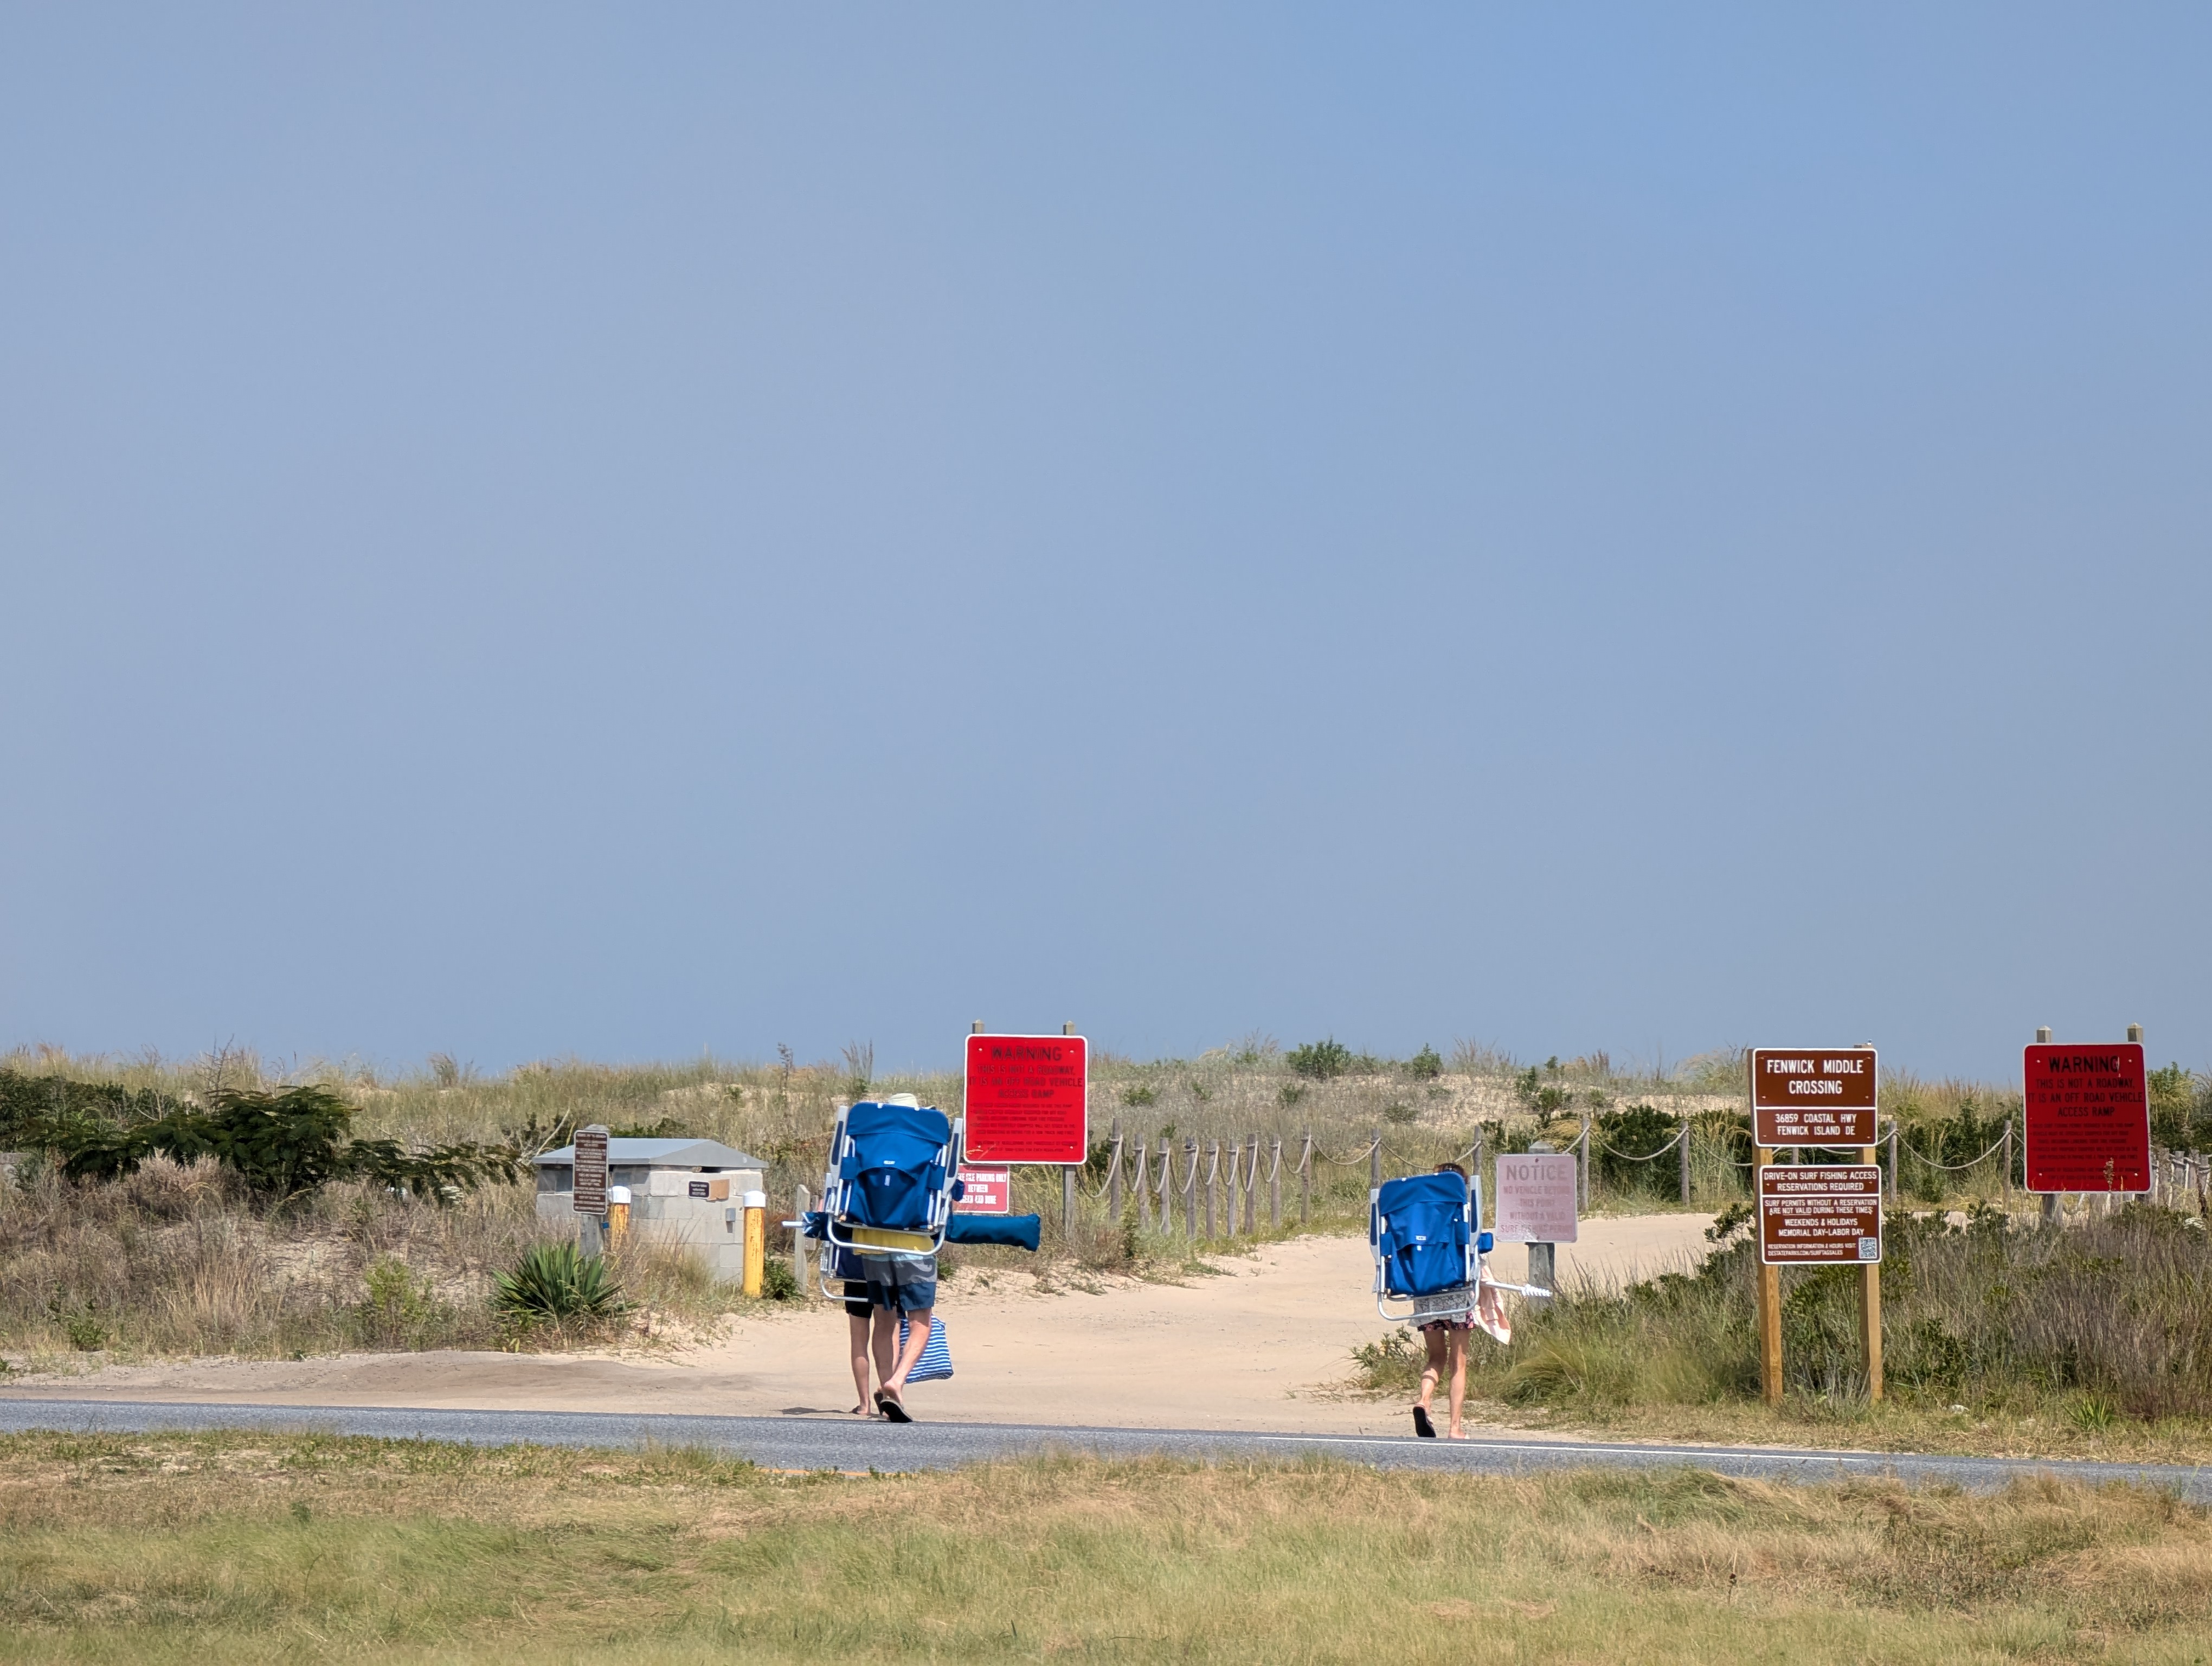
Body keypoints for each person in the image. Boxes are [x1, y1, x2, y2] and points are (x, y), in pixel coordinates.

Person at [1412, 1162, 1474, 1440]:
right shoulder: (1462, 1212)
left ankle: (1424, 1401)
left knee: (1436, 1357)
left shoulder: (1419, 1214)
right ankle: (1455, 1427)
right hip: (1457, 1293)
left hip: (1425, 1293)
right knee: (1458, 1363)